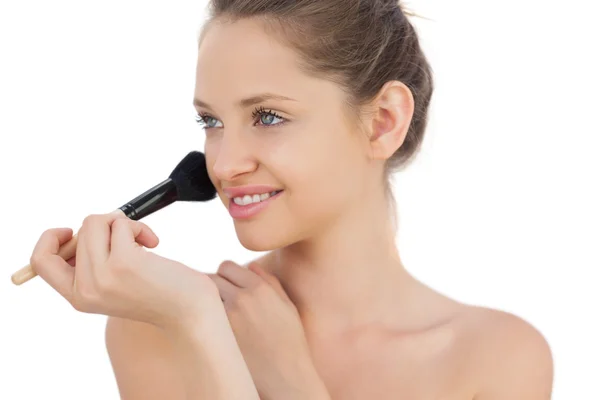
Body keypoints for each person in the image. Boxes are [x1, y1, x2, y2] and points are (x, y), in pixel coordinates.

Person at [29, 0, 554, 399]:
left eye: (267, 117)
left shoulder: (497, 358)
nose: (224, 163)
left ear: (384, 122)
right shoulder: (153, 330)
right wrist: (195, 323)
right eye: (211, 121)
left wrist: (291, 381)